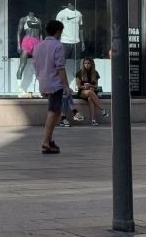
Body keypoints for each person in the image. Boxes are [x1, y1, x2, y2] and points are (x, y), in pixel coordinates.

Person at [33, 19, 70, 154]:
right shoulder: (58, 46)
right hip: (55, 83)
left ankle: (49, 140)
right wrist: (66, 85)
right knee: (53, 112)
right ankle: (46, 142)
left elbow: (36, 66)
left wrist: (40, 81)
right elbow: (60, 68)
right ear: (58, 32)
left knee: (56, 111)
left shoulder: (39, 46)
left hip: (43, 81)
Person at [74, 58, 110, 126]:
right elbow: (78, 86)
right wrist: (85, 87)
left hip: (92, 92)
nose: (87, 65)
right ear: (83, 64)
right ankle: (102, 109)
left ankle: (93, 120)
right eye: (85, 63)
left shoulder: (95, 73)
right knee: (90, 92)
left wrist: (91, 85)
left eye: (88, 63)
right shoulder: (79, 72)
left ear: (92, 64)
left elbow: (96, 86)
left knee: (90, 99)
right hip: (82, 92)